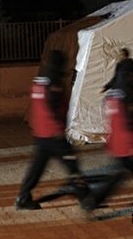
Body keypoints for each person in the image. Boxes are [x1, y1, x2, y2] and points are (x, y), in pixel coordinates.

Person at [82, 53, 133, 225]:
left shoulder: (114, 93)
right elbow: (130, 120)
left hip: (117, 144)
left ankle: (93, 200)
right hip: (130, 145)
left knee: (117, 176)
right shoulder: (128, 94)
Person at [15, 50, 88, 210]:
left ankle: (23, 197)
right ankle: (87, 199)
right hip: (53, 133)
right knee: (72, 164)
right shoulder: (54, 82)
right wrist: (59, 128)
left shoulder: (39, 79)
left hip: (40, 132)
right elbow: (54, 107)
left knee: (37, 168)